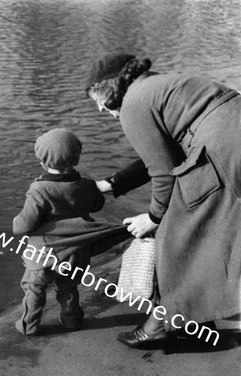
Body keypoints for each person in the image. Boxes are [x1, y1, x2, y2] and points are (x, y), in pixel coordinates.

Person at [86, 52, 241, 348]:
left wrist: (154, 217)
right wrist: (112, 184)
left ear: (108, 89)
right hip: (232, 135)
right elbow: (163, 156)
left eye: (97, 100)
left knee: (174, 232)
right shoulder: (155, 86)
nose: (100, 109)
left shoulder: (132, 105)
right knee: (202, 228)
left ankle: (162, 325)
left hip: (223, 147)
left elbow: (162, 174)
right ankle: (196, 322)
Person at [13, 128, 125, 335]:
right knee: (68, 288)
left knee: (34, 288)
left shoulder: (39, 189)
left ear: (42, 161)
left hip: (43, 254)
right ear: (76, 159)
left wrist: (15, 224)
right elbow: (97, 206)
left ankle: (29, 325)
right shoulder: (87, 185)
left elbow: (25, 224)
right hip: (76, 253)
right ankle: (71, 320)